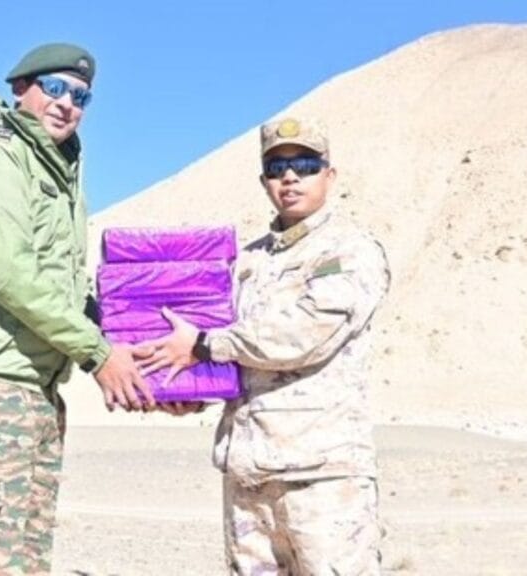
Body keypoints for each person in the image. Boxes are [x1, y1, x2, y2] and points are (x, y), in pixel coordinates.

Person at [0, 42, 152, 575]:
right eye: (54, 87)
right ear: (20, 88)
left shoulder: (56, 172)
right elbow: (10, 273)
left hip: (32, 393)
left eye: (81, 95)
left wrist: (129, 342)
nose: (68, 103)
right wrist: (97, 352)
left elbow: (58, 288)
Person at [141, 116, 391, 575]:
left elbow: (307, 333)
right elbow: (224, 354)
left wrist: (203, 345)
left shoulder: (348, 250)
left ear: (329, 175)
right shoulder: (247, 261)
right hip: (248, 474)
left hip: (321, 473)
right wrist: (188, 391)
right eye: (277, 169)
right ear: (264, 181)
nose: (290, 177)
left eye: (305, 165)